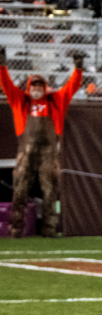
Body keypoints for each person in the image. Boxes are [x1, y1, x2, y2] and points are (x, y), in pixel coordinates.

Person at [2, 47, 82, 238]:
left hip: (49, 154)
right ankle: (16, 229)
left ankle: (50, 229)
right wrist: (2, 64)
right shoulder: (20, 101)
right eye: (34, 86)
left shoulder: (56, 102)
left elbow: (72, 86)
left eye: (40, 85)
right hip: (26, 153)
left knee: (51, 191)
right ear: (29, 88)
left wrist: (78, 68)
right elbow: (5, 84)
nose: (37, 89)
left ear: (44, 87)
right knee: (20, 191)